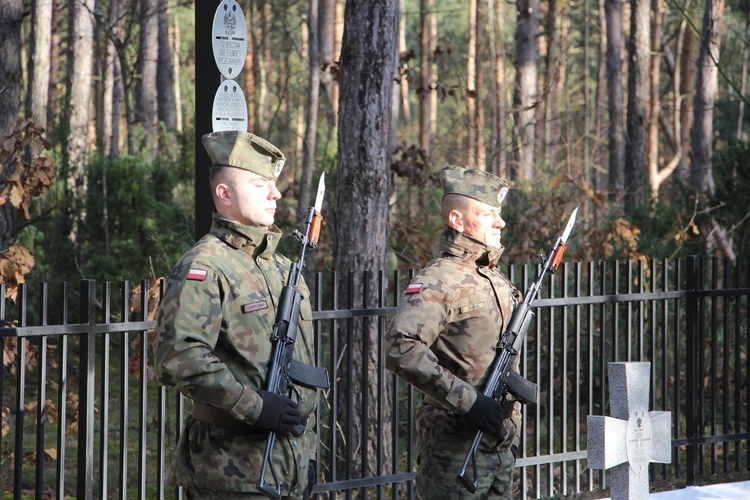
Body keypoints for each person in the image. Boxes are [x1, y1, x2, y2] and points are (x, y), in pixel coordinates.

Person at [153, 130, 321, 499]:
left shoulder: (281, 267)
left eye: (273, 185)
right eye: (261, 185)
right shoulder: (206, 266)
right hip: (232, 471)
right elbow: (176, 358)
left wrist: (306, 457)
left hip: (290, 463)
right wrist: (256, 406)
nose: (275, 194)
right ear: (224, 194)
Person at [385, 165, 523, 499]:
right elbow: (401, 347)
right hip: (454, 451)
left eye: (499, 214)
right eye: (488, 214)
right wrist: (469, 401)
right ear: (457, 220)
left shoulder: (494, 278)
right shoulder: (438, 280)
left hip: (500, 445)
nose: (500, 222)